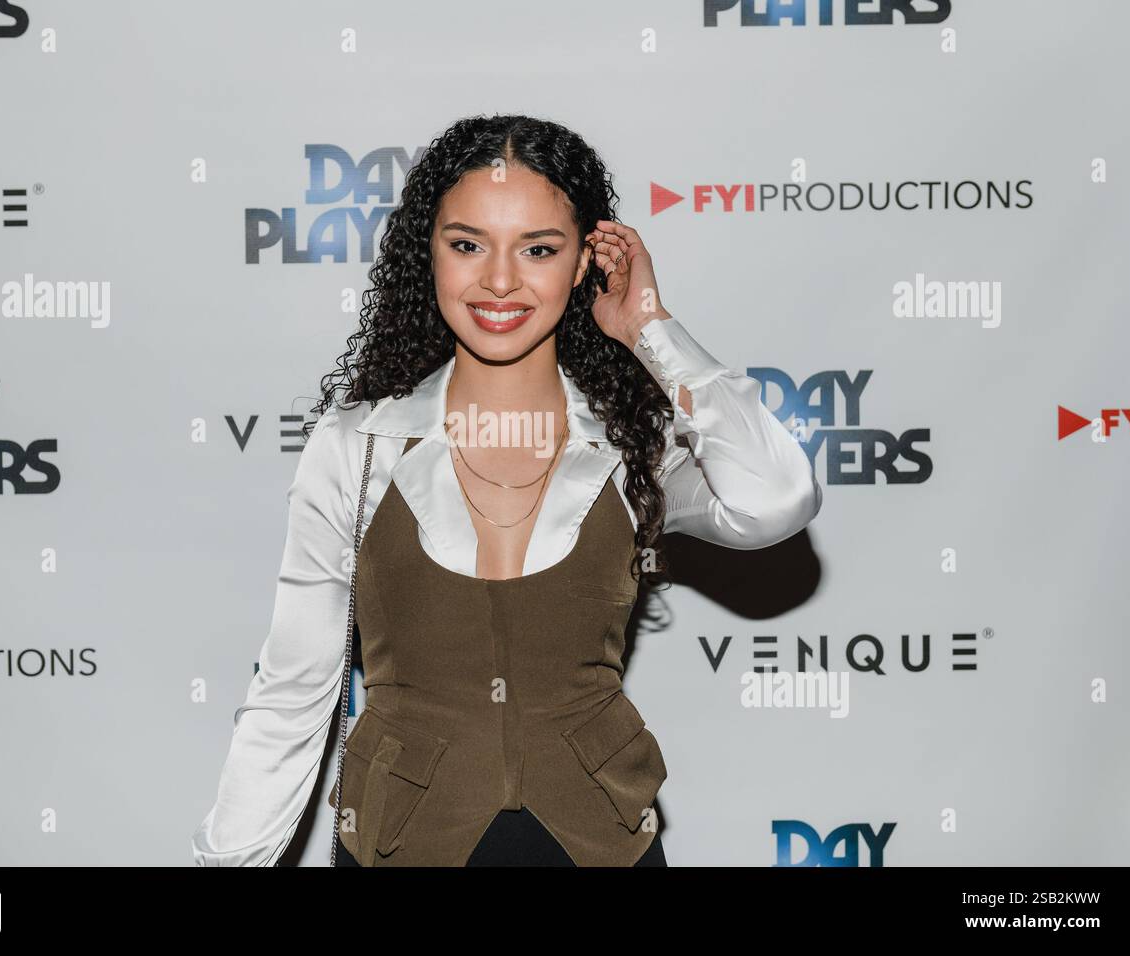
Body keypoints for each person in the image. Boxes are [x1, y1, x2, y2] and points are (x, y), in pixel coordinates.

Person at [192, 113, 823, 867]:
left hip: (602, 847)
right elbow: (293, 692)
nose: (498, 280)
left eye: (539, 249)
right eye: (466, 245)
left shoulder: (630, 444)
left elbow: (774, 499)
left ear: (586, 260)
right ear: (427, 254)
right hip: (400, 846)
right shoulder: (357, 447)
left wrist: (651, 328)